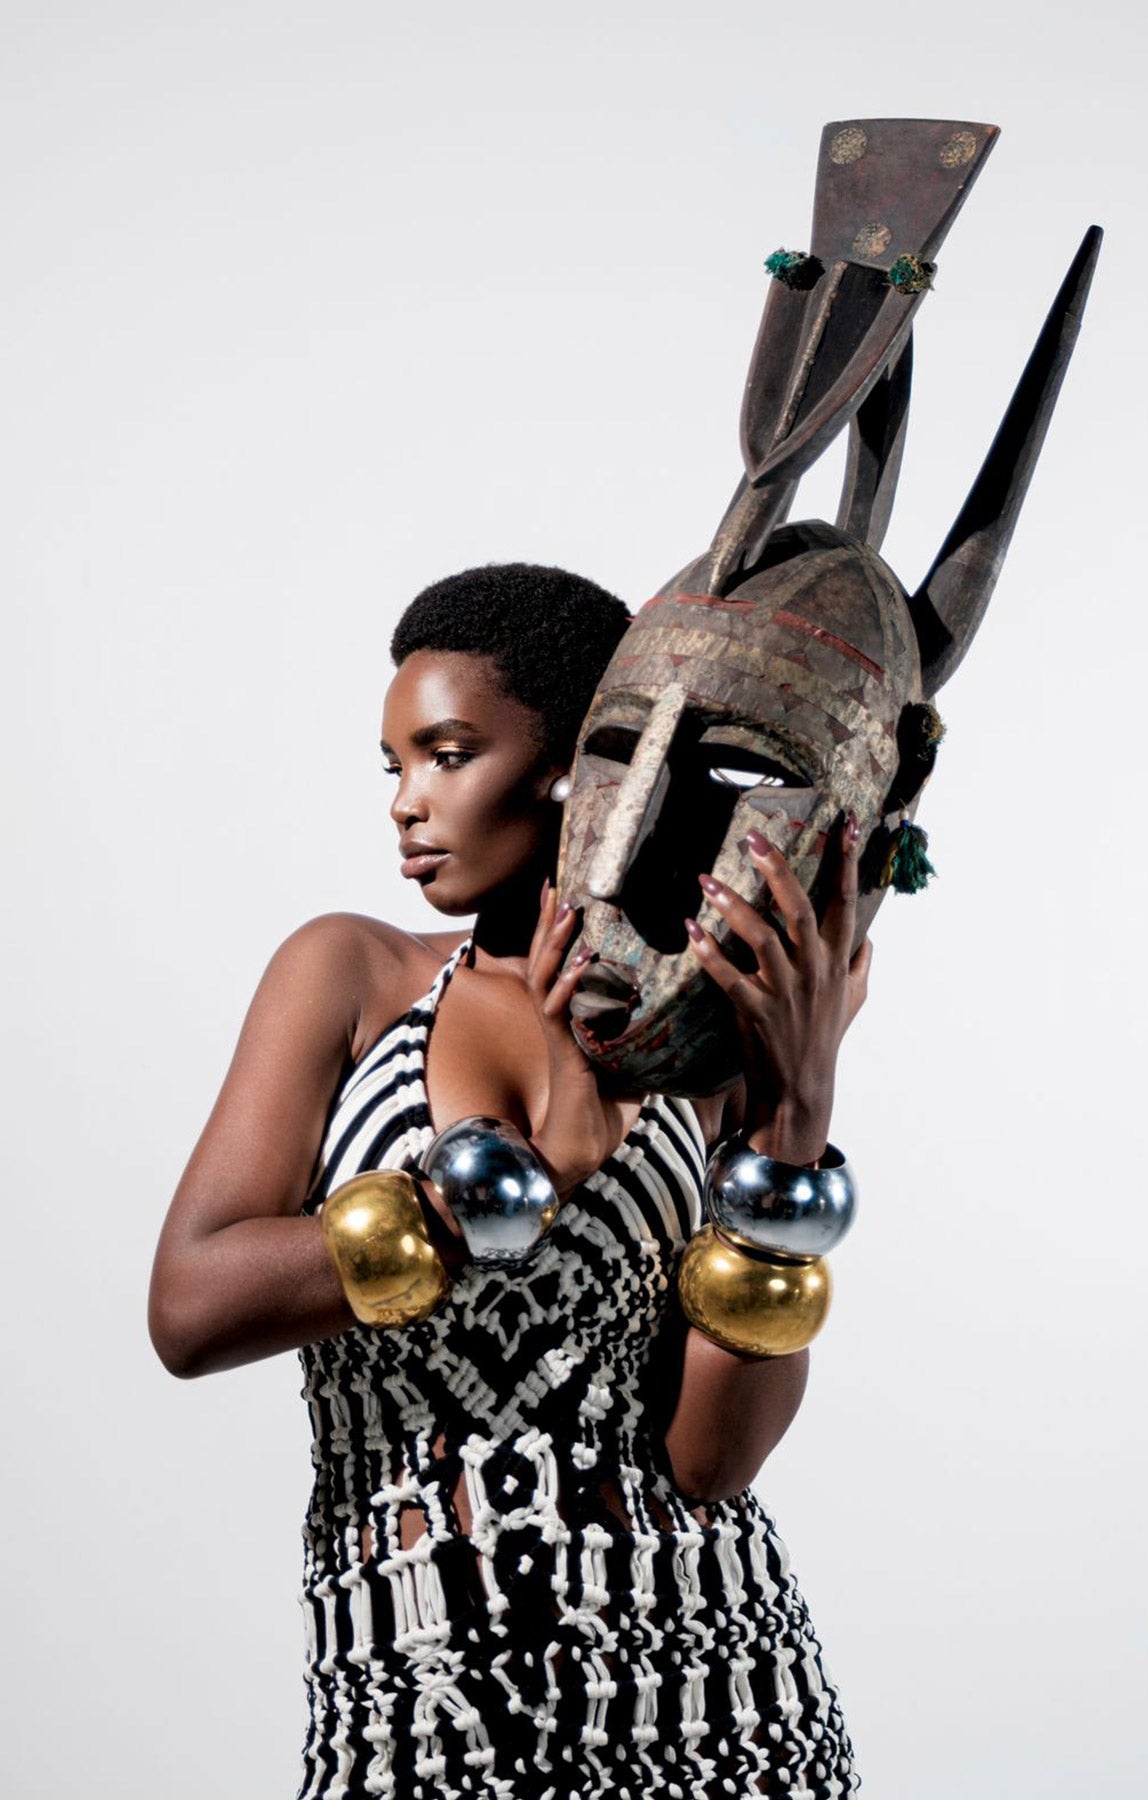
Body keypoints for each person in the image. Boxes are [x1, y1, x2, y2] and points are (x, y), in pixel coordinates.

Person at [150, 560, 868, 1799]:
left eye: (448, 755)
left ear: (577, 766)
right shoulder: (352, 976)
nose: (407, 804)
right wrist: (506, 1187)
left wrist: (793, 1126)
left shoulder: (687, 1047)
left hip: (722, 1708)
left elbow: (711, 1464)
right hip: (419, 1711)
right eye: (397, 766)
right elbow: (191, 1305)